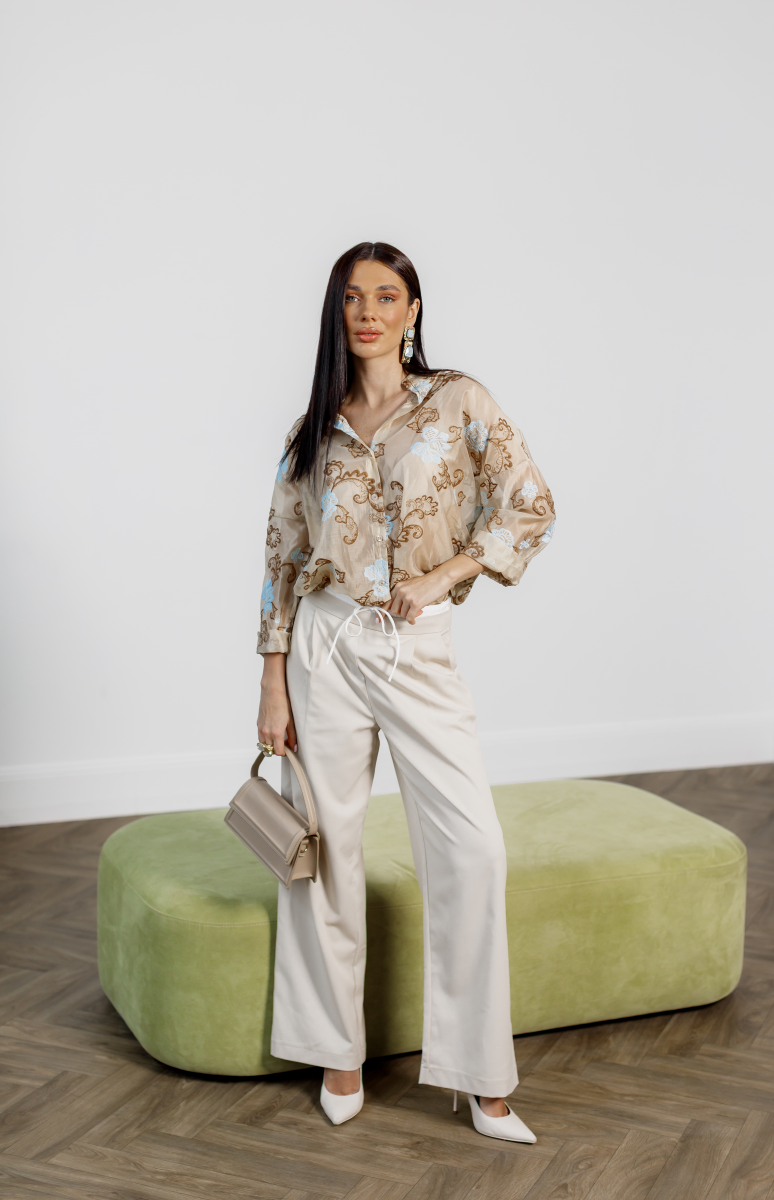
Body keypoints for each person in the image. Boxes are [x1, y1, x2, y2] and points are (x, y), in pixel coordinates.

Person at [256, 241, 555, 1143]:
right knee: (324, 851)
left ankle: (480, 1077)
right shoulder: (312, 429)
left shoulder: (458, 400)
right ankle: (335, 1052)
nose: (369, 312)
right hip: (323, 645)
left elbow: (530, 504)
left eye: (387, 296)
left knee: (472, 848)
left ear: (413, 310)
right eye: (353, 297)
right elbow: (281, 558)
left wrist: (446, 574)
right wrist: (272, 682)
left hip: (414, 646)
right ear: (337, 311)